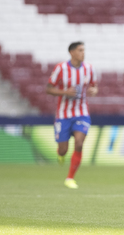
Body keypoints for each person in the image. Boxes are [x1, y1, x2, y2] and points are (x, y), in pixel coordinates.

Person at [46, 41, 98, 189]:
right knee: (63, 149)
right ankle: (60, 155)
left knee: (79, 143)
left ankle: (70, 178)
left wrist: (94, 91)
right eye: (80, 50)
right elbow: (48, 89)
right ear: (72, 52)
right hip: (63, 115)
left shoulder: (89, 68)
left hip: (82, 113)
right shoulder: (61, 68)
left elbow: (94, 86)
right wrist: (65, 92)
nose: (83, 53)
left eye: (84, 50)